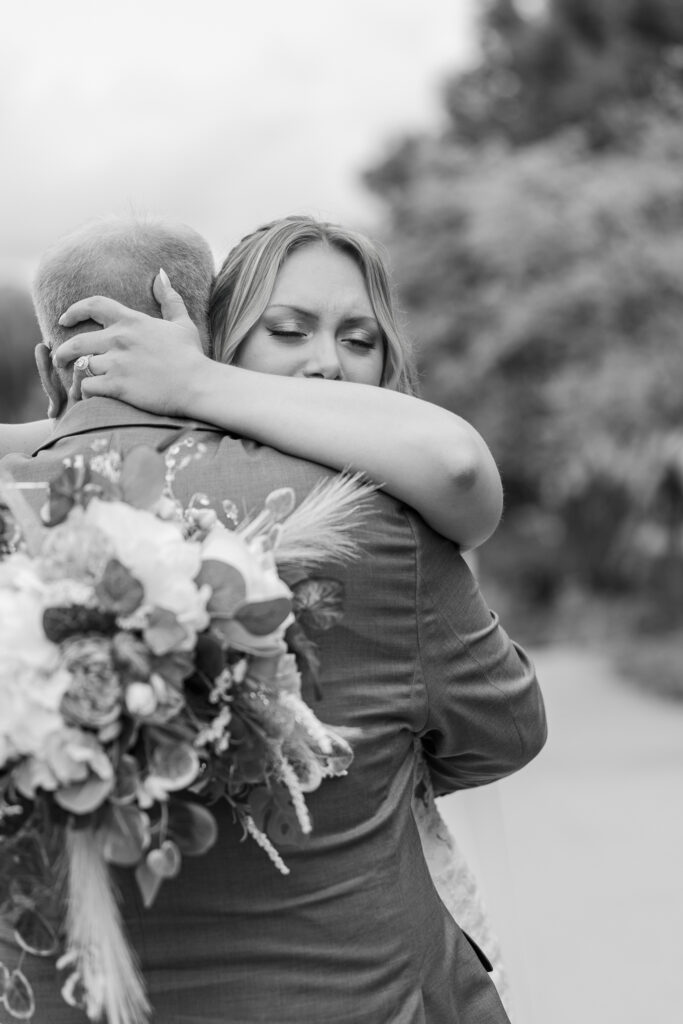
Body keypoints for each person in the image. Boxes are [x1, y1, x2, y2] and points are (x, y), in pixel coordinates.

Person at [0, 216, 546, 1023]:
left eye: (358, 337)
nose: (323, 363)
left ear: (52, 366)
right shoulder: (371, 517)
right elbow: (504, 728)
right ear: (203, 336)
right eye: (289, 330)